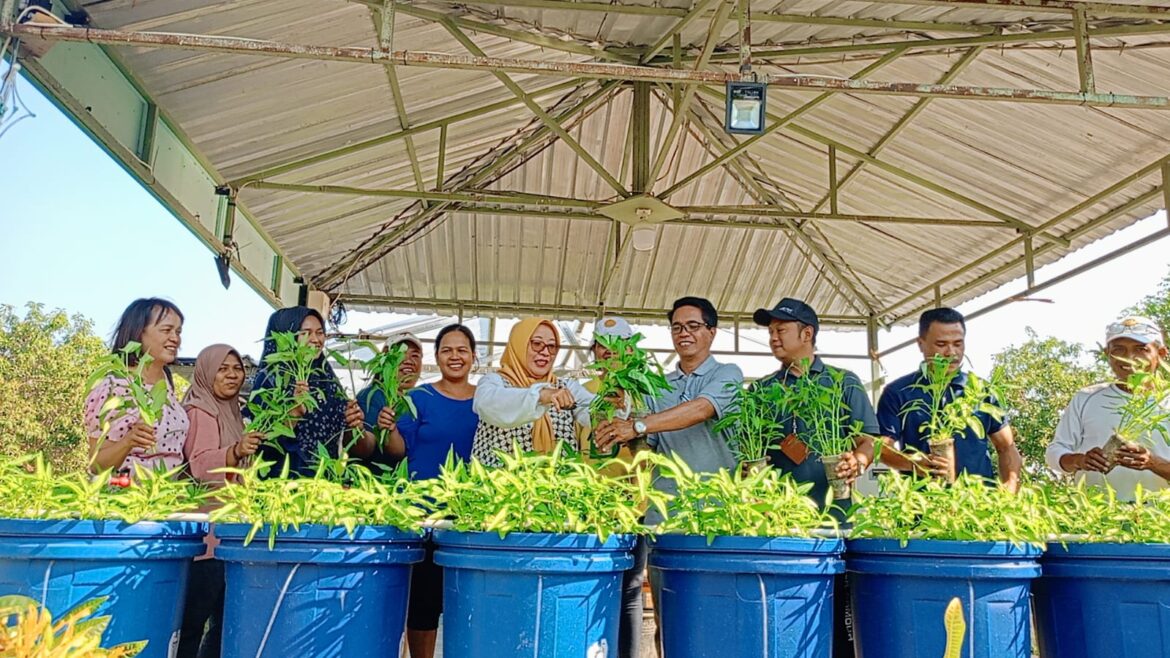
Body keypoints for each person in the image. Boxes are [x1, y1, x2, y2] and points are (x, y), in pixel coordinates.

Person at [594, 297, 741, 656]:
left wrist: (637, 424)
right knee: (669, 619)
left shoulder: (729, 374)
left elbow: (701, 409)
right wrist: (615, 423)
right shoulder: (656, 385)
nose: (684, 333)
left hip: (717, 515)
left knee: (719, 614)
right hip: (666, 518)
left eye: (693, 326)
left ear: (712, 332)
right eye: (677, 327)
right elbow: (648, 444)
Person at [368, 325, 479, 658]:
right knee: (424, 603)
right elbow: (398, 451)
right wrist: (387, 431)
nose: (455, 356)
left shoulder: (486, 400)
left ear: (474, 356)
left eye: (462, 350)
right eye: (447, 350)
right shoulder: (418, 399)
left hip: (471, 516)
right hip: (424, 515)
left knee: (466, 600)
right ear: (437, 357)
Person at [177, 344, 263, 658]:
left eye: (237, 368)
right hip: (208, 537)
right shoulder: (201, 410)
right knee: (193, 626)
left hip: (229, 533)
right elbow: (200, 465)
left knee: (224, 627)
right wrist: (236, 452)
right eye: (222, 368)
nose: (231, 375)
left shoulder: (233, 412)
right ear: (206, 373)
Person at [877, 307, 1022, 492]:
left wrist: (1010, 490)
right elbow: (881, 449)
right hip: (922, 507)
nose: (951, 352)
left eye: (958, 343)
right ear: (921, 344)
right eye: (941, 344)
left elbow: (1007, 447)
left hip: (977, 506)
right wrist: (914, 464)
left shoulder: (981, 391)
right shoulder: (899, 392)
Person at [751, 297, 877, 509]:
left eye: (780, 331)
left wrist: (857, 462)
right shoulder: (761, 389)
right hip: (775, 514)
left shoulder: (843, 382)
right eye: (770, 332)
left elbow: (868, 441)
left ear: (807, 334)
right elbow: (749, 448)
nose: (773, 338)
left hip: (834, 510)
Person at [580, 315, 648, 658]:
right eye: (602, 347)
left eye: (617, 347)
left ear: (630, 350)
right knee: (592, 587)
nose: (608, 354)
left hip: (633, 507)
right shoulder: (584, 392)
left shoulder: (644, 392)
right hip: (589, 508)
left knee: (631, 590)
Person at [1047, 316, 1170, 501]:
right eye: (1118, 350)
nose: (1129, 358)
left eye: (1141, 349)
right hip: (1097, 516)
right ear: (1107, 354)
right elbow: (1055, 452)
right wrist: (1080, 460)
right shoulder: (1086, 398)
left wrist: (1153, 463)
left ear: (1160, 354)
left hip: (1159, 518)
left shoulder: (1166, 400)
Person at [251, 306, 376, 476]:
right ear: (286, 336)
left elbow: (353, 447)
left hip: (323, 483)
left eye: (320, 332)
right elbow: (260, 444)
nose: (316, 339)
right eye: (305, 333)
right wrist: (294, 411)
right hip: (281, 484)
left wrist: (353, 426)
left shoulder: (327, 381)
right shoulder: (270, 380)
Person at [471, 318, 597, 467]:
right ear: (519, 345)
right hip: (501, 486)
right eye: (537, 344)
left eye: (551, 346)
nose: (545, 352)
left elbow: (592, 409)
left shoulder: (565, 386)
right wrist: (540, 395)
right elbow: (487, 404)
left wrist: (611, 405)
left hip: (554, 486)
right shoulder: (494, 382)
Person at [84, 298, 188, 475]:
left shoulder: (166, 381)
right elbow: (96, 465)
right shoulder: (114, 385)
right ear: (139, 332)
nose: (175, 338)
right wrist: (128, 442)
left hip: (166, 496)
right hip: (130, 496)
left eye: (178, 332)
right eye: (166, 330)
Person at [355, 333, 424, 472]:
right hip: (376, 483)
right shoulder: (372, 396)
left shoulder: (419, 399)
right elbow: (364, 449)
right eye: (399, 354)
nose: (408, 360)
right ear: (384, 360)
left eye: (415, 355)